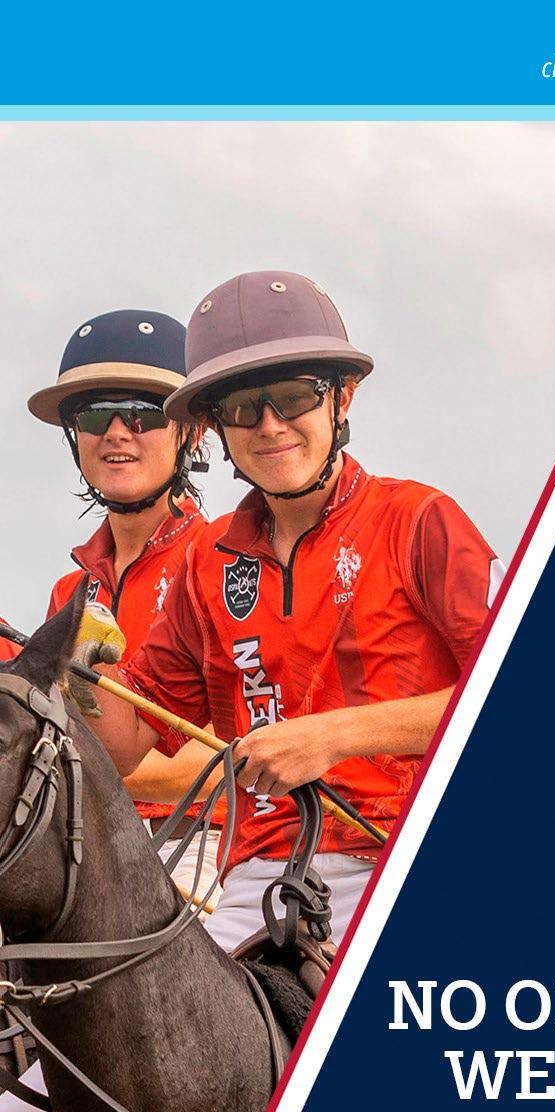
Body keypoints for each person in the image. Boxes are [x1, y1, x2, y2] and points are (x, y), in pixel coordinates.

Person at [85, 271, 503, 953]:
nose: (270, 426)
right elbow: (126, 744)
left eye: (294, 397)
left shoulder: (418, 519)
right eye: (243, 407)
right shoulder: (209, 560)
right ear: (215, 426)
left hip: (401, 855)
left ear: (342, 396)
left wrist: (330, 737)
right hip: (258, 884)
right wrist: (76, 667)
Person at [26, 310, 221, 900]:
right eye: (94, 415)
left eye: (143, 414)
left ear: (191, 433)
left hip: (202, 844)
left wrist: (65, 774)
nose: (116, 432)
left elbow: (218, 760)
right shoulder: (71, 590)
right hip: (81, 841)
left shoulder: (226, 562)